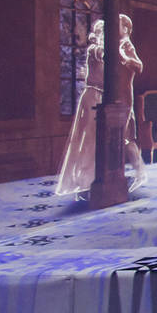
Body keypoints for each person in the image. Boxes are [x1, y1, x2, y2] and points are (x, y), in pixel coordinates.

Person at [55, 20, 105, 198]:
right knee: (88, 140)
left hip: (99, 95)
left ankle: (90, 180)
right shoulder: (95, 49)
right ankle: (84, 182)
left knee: (95, 141)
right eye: (104, 33)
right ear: (99, 34)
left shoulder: (99, 49)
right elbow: (105, 56)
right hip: (91, 95)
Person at [118, 14, 148, 191]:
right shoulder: (118, 44)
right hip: (117, 95)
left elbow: (140, 66)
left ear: (126, 29)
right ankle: (134, 172)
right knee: (121, 137)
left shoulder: (126, 45)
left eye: (118, 25)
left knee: (126, 137)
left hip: (124, 94)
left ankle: (140, 172)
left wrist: (124, 57)